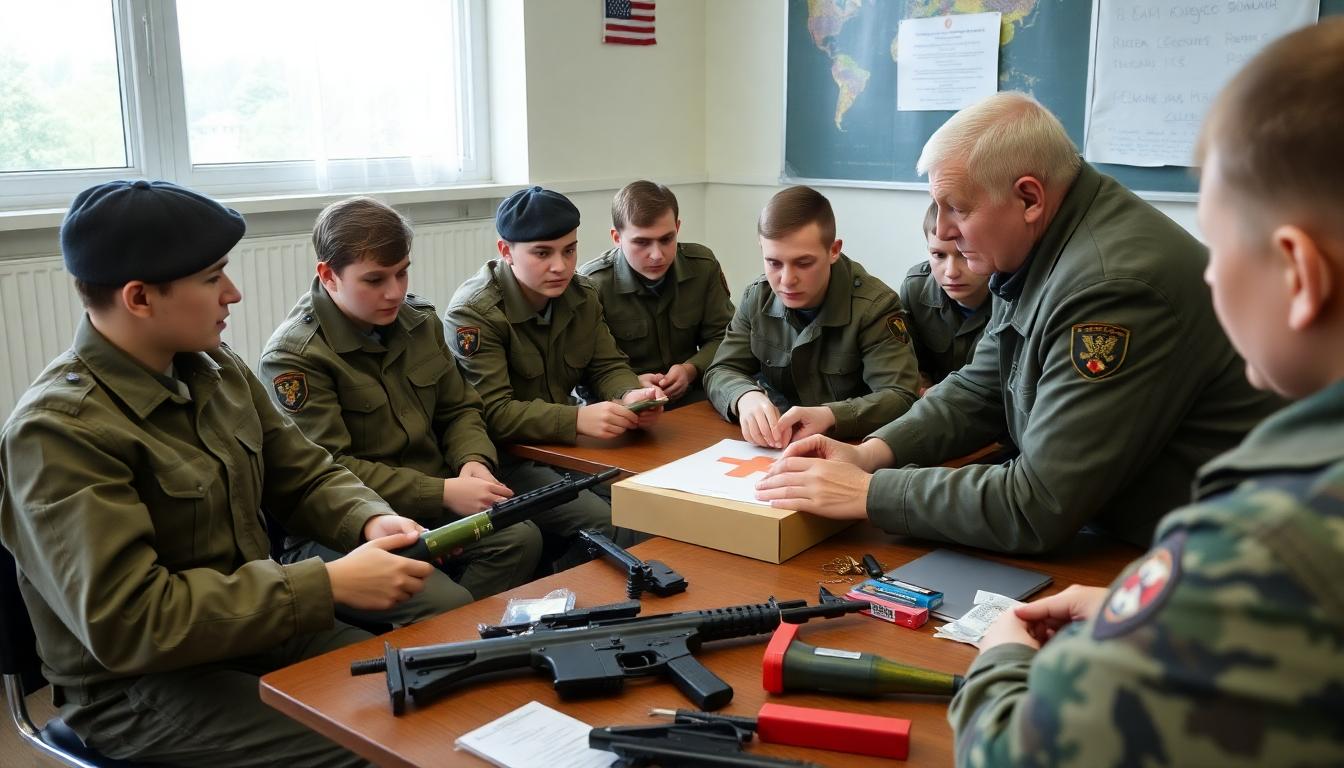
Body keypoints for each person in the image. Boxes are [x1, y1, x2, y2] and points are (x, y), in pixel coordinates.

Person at [948, 21, 1344, 765]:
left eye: (1220, 247)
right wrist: (1169, 615)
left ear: (1298, 275)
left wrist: (1001, 658)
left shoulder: (1265, 546)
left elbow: (1012, 754)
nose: (1208, 277)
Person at [0, 180, 434, 767]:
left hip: (252, 627)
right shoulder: (59, 432)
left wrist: (370, 519)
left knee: (421, 691)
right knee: (367, 742)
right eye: (212, 278)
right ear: (139, 298)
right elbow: (131, 621)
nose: (234, 293)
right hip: (139, 684)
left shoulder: (213, 367)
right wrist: (326, 585)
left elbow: (302, 471)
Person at [756, 92, 1281, 554]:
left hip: (1216, 558)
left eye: (956, 208)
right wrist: (869, 454)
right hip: (1128, 528)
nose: (943, 230)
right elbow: (979, 387)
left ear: (1029, 198)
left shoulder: (1108, 288)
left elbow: (1037, 505)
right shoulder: (1036, 247)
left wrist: (869, 493)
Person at [260, 197, 541, 626]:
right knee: (446, 603)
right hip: (347, 526)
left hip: (429, 503)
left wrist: (472, 463)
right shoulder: (296, 357)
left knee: (520, 539)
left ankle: (468, 636)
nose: (394, 292)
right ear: (328, 275)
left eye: (402, 272)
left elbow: (460, 407)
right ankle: (438, 644)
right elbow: (328, 470)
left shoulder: (417, 320)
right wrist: (442, 492)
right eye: (374, 280)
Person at [445, 186, 663, 564]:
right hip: (506, 461)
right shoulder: (475, 314)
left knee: (652, 498)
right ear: (506, 252)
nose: (561, 266)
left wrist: (630, 396)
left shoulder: (581, 295)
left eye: (569, 249)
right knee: (616, 523)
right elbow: (492, 413)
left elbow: (606, 365)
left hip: (564, 448)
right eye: (542, 253)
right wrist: (577, 418)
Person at [702, 185, 920, 449]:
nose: (786, 280)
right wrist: (744, 396)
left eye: (803, 263)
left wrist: (831, 416)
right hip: (776, 448)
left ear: (834, 250)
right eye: (773, 262)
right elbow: (722, 369)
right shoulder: (757, 297)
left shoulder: (876, 307)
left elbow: (900, 396)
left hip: (852, 450)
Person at [577, 180, 735, 407]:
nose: (657, 255)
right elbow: (584, 369)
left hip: (692, 397)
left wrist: (691, 369)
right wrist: (629, 386)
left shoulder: (702, 266)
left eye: (666, 239)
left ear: (677, 228)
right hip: (622, 405)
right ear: (616, 237)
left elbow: (727, 337)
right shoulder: (593, 284)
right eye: (641, 242)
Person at [900, 200, 991, 388]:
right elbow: (912, 367)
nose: (951, 272)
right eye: (939, 255)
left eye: (965, 255)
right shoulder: (915, 288)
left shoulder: (1014, 298)